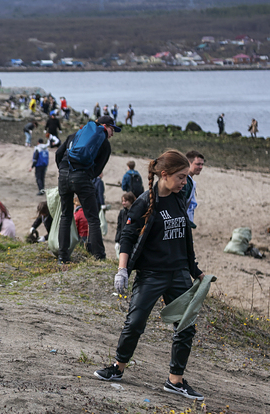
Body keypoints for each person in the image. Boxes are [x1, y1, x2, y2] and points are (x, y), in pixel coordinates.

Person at [93, 149, 206, 402]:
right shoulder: (145, 202)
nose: (184, 182)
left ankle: (175, 381)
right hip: (151, 275)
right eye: (181, 177)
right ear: (164, 175)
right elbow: (127, 237)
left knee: (185, 327)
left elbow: (185, 237)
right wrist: (122, 270)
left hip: (178, 274)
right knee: (134, 323)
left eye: (186, 177)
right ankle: (117, 368)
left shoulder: (180, 197)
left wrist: (195, 270)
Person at [55, 115, 120, 265]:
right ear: (104, 126)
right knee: (93, 218)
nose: (112, 133)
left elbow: (59, 153)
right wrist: (86, 176)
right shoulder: (104, 144)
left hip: (64, 175)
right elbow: (98, 169)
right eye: (112, 129)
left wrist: (64, 171)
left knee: (65, 215)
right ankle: (99, 256)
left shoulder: (75, 135)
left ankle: (62, 257)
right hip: (82, 177)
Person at [182, 150, 205, 227]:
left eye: (202, 164)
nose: (201, 167)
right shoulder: (185, 182)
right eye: (198, 164)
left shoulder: (189, 181)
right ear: (188, 163)